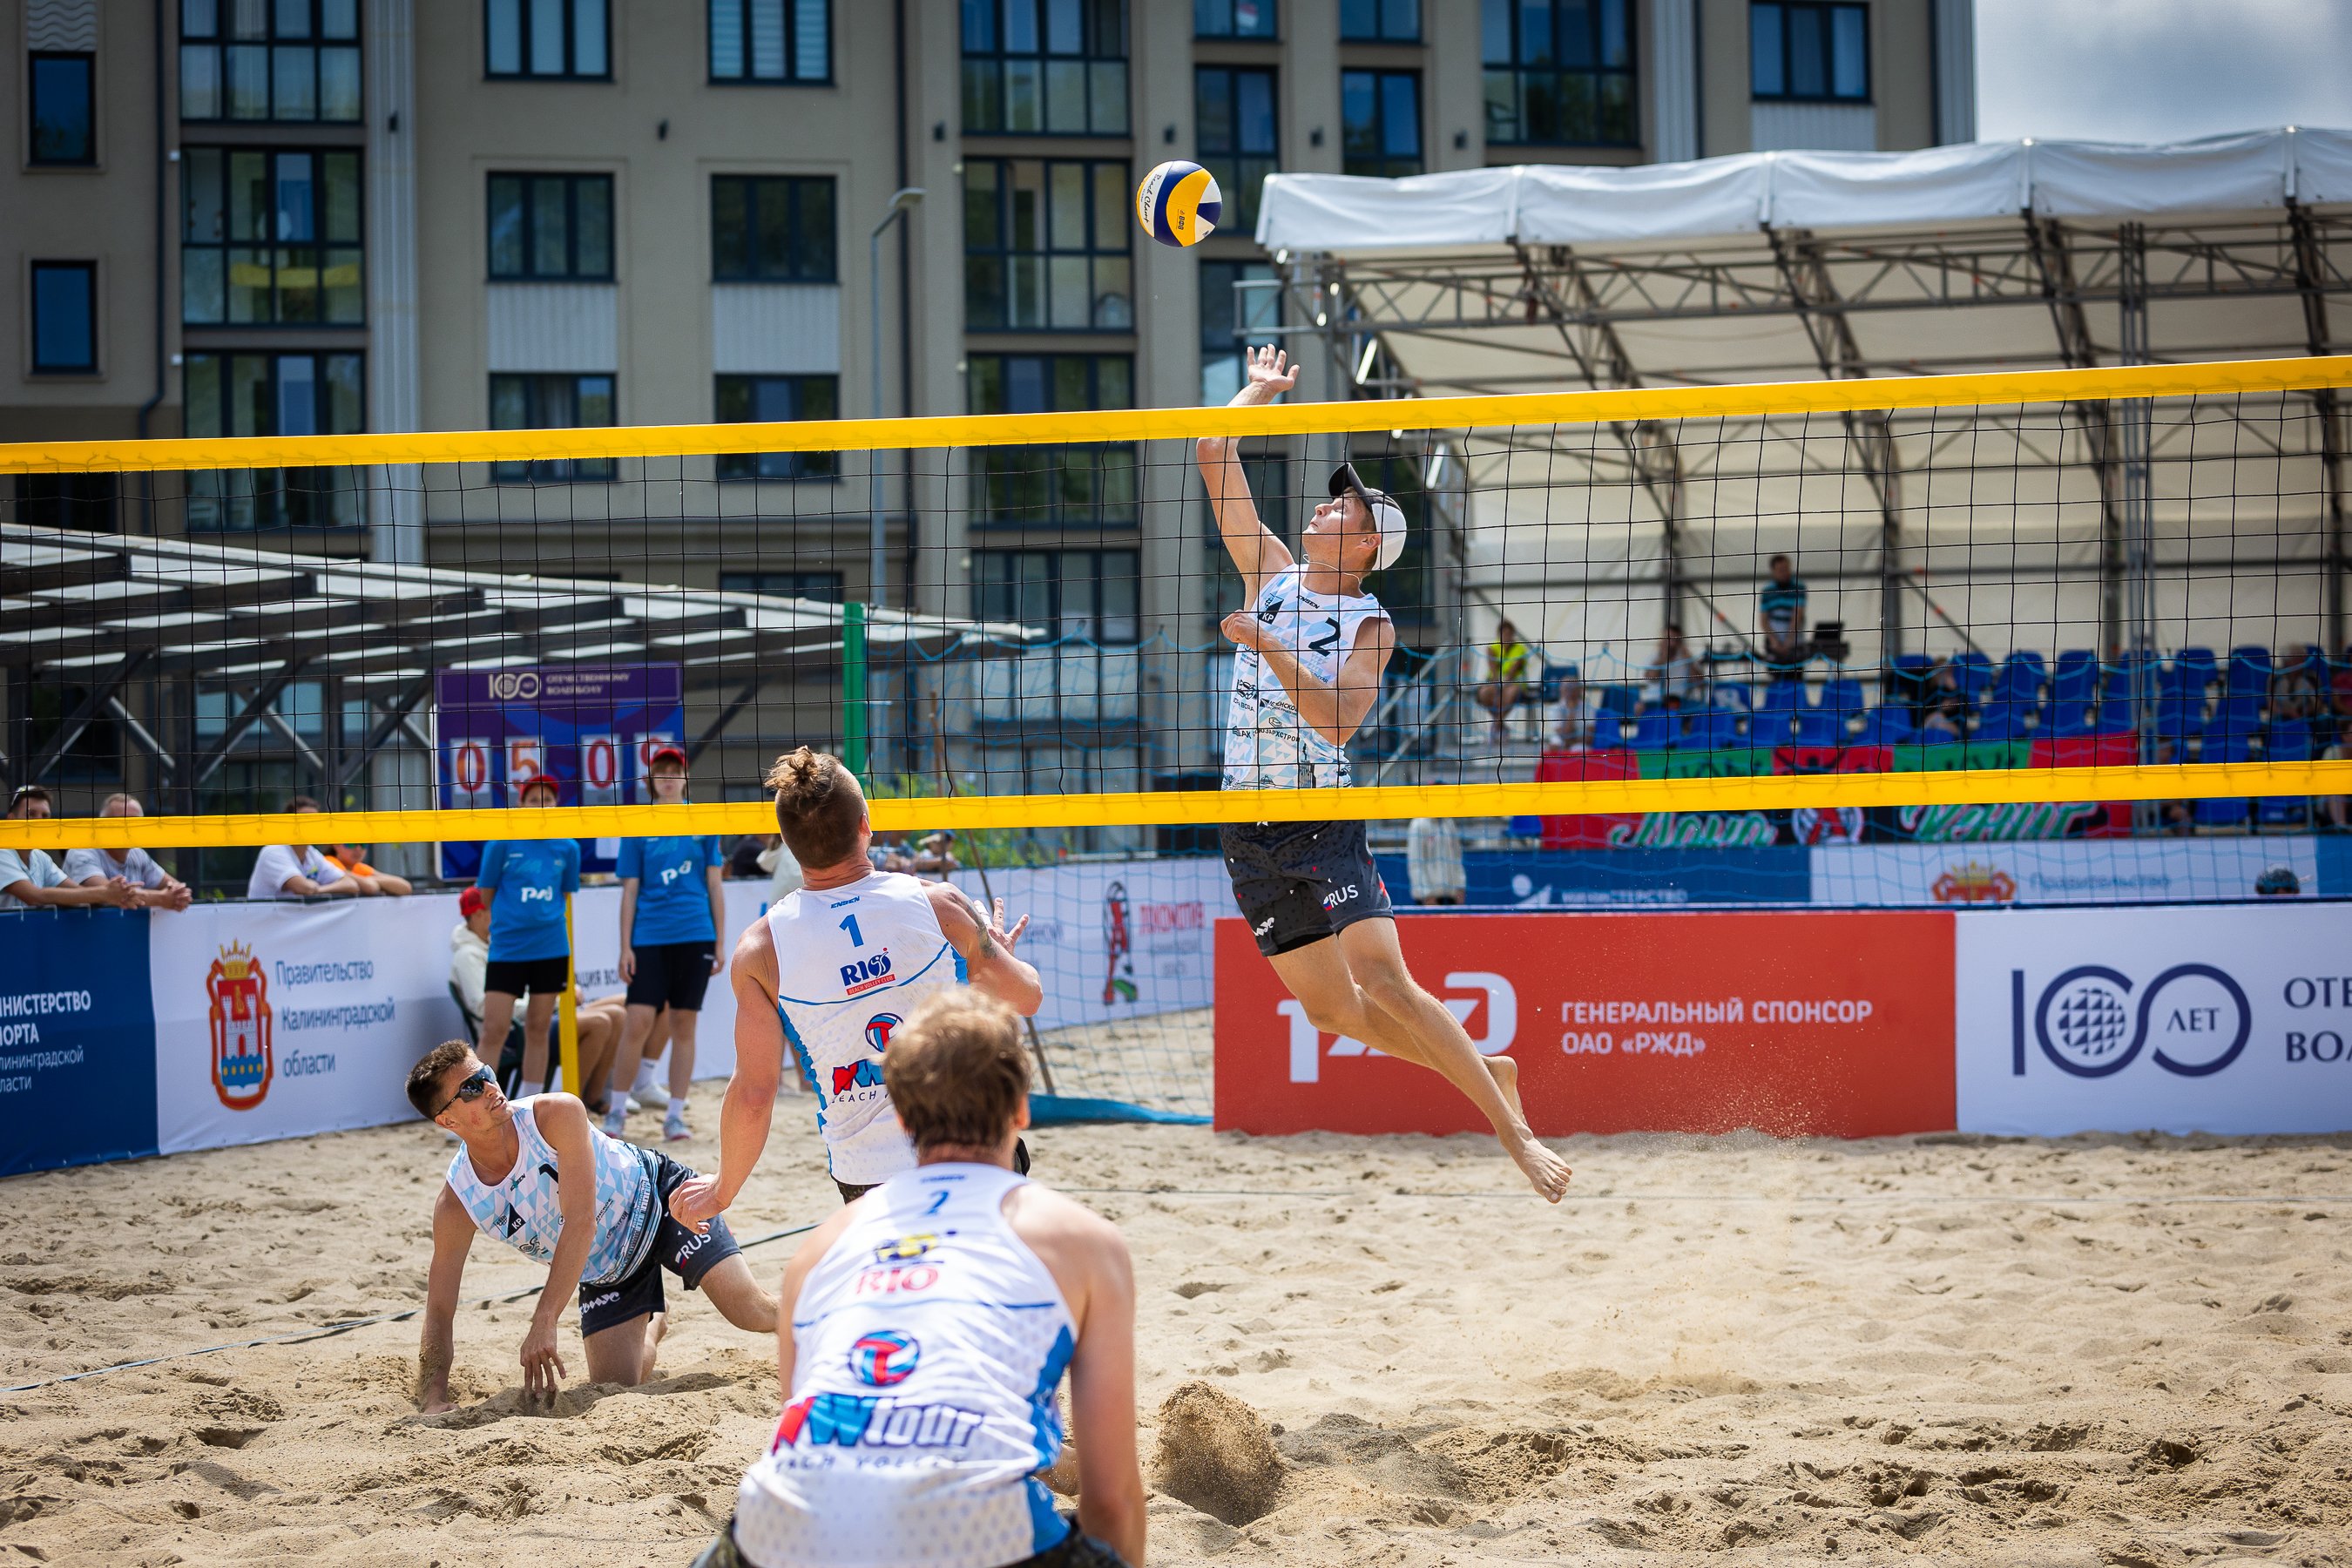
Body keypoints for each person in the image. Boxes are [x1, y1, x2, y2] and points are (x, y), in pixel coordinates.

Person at [1196, 344, 1572, 1203]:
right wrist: (1256, 393)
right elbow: (1213, 452)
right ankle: (1486, 1071)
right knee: (1330, 1011)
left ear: (1368, 544)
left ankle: (1512, 1131)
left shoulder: (1370, 623)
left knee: (1384, 982)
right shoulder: (1271, 572)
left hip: (1318, 817)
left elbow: (1337, 721)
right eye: (1333, 498)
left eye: (1346, 507)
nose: (1326, 505)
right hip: (1244, 824)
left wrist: (1267, 643)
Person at [700, 991, 1144, 1568]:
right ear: (1021, 1111)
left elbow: (802, 1421)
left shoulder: (819, 1249)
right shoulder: (1082, 1239)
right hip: (977, 1534)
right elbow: (1111, 1502)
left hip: (781, 1532)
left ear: (903, 1118)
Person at [669, 747, 1044, 1220]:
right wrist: (999, 954)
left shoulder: (760, 949)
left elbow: (755, 1093)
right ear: (866, 825)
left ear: (787, 843)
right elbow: (1027, 997)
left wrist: (722, 1190)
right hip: (973, 1145)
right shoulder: (939, 902)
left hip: (867, 1170)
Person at [406, 1041, 777, 1413]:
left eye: (486, 1074)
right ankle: (656, 1318)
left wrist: (545, 1318)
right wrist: (434, 1397)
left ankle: (813, 1319)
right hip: (604, 1270)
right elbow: (439, 1307)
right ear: (448, 1121)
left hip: (659, 1201)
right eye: (472, 1088)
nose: (490, 1088)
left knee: (749, 1311)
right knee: (617, 1385)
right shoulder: (458, 1202)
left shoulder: (555, 1113)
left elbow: (581, 1222)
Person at [607, 745, 724, 1143]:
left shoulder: (700, 820)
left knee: (683, 1024)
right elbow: (629, 891)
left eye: (675, 771)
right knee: (637, 1021)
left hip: (695, 933)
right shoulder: (640, 823)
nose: (669, 777)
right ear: (651, 779)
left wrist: (719, 941)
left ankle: (675, 1115)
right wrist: (625, 946)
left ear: (685, 777)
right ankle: (617, 1111)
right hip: (650, 936)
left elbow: (714, 885)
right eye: (662, 771)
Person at [475, 773, 582, 1097]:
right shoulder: (502, 843)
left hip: (550, 947)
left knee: (538, 1027)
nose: (541, 805)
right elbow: (486, 895)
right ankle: (478, 1103)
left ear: (556, 804)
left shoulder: (568, 847)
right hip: (508, 947)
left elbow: (564, 893)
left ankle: (532, 1104)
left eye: (547, 799)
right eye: (534, 799)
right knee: (494, 1029)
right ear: (521, 803)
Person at [1, 786, 139, 912]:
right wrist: (105, 893)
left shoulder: (40, 857)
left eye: (45, 816)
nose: (39, 821)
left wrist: (115, 893)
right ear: (11, 819)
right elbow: (35, 897)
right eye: (31, 814)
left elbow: (79, 893)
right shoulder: (3, 852)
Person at [64, 793, 193, 910]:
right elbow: (110, 895)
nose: (129, 828)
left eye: (135, 822)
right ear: (102, 825)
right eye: (122, 821)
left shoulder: (137, 854)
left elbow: (176, 888)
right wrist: (162, 898)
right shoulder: (82, 852)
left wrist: (178, 895)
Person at [247, 796, 383, 900]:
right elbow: (303, 888)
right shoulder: (274, 852)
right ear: (289, 824)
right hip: (264, 924)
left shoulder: (312, 854)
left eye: (315, 820)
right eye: (305, 820)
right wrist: (314, 889)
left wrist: (317, 890)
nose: (358, 849)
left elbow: (351, 885)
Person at [1474, 618, 1533, 743]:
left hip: (1514, 683)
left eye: (1509, 634)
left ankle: (1496, 725)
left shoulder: (1520, 649)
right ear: (1499, 634)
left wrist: (1504, 682)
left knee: (1509, 693)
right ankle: (1501, 726)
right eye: (1504, 633)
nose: (1507, 636)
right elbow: (1492, 667)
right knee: (1484, 693)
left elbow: (1514, 669)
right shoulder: (1492, 648)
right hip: (1495, 682)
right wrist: (1497, 682)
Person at [1760, 555, 1808, 678]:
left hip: (1795, 644)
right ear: (1773, 571)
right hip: (1774, 645)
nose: (1785, 573)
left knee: (1795, 679)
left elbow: (1797, 615)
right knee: (1775, 679)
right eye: (1781, 570)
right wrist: (1775, 642)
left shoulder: (1799, 587)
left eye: (1786, 569)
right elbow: (1764, 621)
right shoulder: (1767, 591)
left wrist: (1788, 641)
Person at [1406, 816, 1465, 906]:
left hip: (1451, 896)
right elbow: (1415, 864)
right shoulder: (1418, 825)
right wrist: (1427, 896)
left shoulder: (1449, 823)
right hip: (1428, 900)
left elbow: (1457, 857)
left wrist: (1460, 887)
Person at [330, 841, 413, 896]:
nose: (358, 849)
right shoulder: (329, 863)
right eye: (351, 844)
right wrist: (372, 881)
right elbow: (370, 886)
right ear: (336, 845)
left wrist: (367, 879)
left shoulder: (359, 867)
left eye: (363, 844)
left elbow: (405, 887)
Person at [1650, 624, 1700, 706]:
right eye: (1667, 639)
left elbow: (1698, 682)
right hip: (1658, 702)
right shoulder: (1654, 657)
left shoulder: (1687, 658)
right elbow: (1651, 679)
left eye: (1674, 639)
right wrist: (1663, 658)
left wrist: (1688, 661)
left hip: (1682, 702)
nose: (1671, 644)